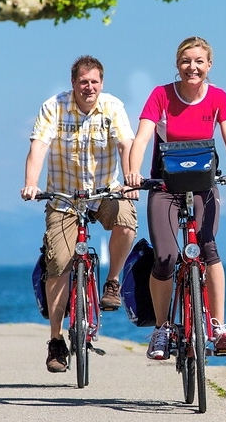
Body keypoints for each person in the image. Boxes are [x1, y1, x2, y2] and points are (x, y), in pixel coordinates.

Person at [125, 36, 226, 360]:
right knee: (166, 256)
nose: (191, 67)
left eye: (198, 61)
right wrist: (132, 173)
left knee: (208, 248)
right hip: (165, 188)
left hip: (203, 187)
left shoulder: (218, 97)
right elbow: (141, 138)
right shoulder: (161, 96)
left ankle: (219, 326)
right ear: (177, 65)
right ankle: (163, 328)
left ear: (209, 65)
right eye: (185, 61)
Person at [21, 55, 138, 373]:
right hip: (64, 199)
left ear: (102, 83)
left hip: (103, 193)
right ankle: (56, 339)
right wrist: (31, 183)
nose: (89, 87)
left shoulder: (112, 107)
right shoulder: (54, 107)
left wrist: (130, 179)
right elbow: (38, 147)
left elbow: (126, 145)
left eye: (95, 81)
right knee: (58, 262)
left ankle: (112, 282)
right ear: (73, 83)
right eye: (83, 81)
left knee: (127, 220)